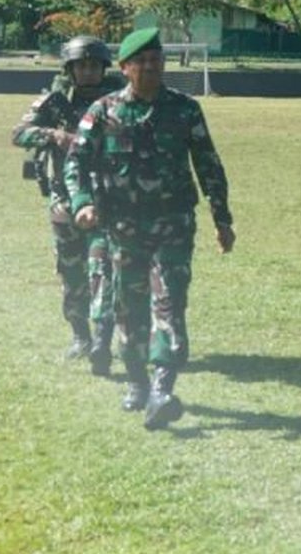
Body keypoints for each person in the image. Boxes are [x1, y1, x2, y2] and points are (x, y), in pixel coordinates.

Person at [65, 27, 236, 430]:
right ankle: (138, 381)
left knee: (170, 303)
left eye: (156, 61)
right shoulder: (103, 111)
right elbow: (75, 162)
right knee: (128, 307)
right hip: (122, 228)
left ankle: (162, 388)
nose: (149, 68)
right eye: (141, 62)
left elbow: (208, 164)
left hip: (173, 225)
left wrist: (222, 218)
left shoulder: (185, 109)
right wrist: (82, 202)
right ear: (125, 68)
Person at [11, 35, 124, 375]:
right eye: (81, 66)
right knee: (71, 272)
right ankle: (80, 336)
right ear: (70, 68)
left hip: (109, 198)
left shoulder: (118, 99)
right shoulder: (55, 100)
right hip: (64, 200)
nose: (88, 72)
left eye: (94, 65)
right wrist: (54, 135)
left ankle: (109, 336)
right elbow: (19, 133)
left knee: (105, 271)